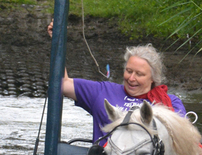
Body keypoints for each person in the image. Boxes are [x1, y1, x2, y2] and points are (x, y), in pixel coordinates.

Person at [48, 21, 186, 143]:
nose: (131, 78)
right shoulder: (102, 91)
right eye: (129, 71)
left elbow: (180, 146)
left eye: (139, 74)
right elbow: (62, 84)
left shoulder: (171, 104)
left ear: (153, 78)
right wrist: (57, 42)